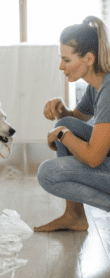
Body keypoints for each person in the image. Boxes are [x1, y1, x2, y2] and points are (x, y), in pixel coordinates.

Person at [34, 15, 110, 232]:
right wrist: (61, 111)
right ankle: (74, 216)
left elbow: (94, 158)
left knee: (48, 173)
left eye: (66, 60)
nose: (61, 66)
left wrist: (61, 134)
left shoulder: (108, 90)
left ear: (88, 58)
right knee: (67, 122)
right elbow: (73, 121)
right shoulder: (96, 85)